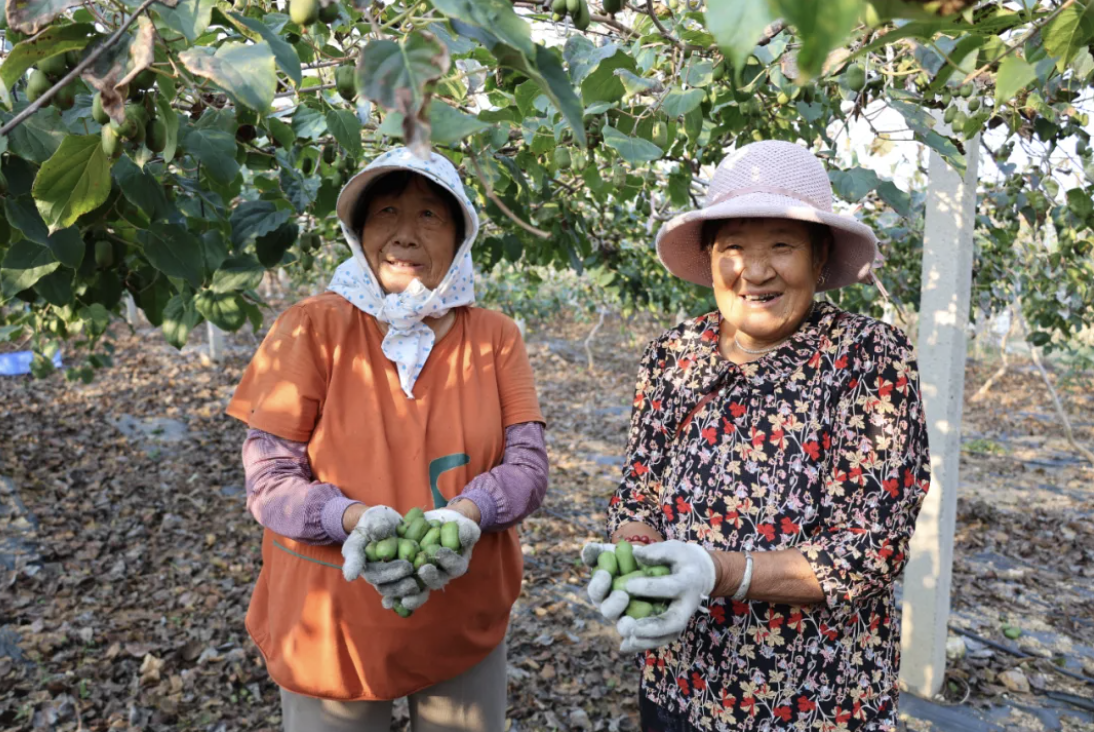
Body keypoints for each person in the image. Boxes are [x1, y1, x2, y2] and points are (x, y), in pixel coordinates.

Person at [583, 140, 930, 732]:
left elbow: (873, 546)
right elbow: (640, 485)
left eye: (781, 245)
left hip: (812, 701)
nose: (756, 269)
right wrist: (634, 549)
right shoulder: (673, 356)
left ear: (820, 259)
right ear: (711, 258)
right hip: (678, 682)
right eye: (735, 246)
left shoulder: (868, 358)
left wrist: (719, 571)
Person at [226, 147, 548, 731]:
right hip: (332, 631)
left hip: (461, 622)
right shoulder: (309, 327)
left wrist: (469, 514)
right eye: (386, 213)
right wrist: (349, 519)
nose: (404, 235)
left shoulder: (495, 337)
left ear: (460, 234)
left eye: (429, 215)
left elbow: (527, 465)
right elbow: (269, 479)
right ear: (358, 231)